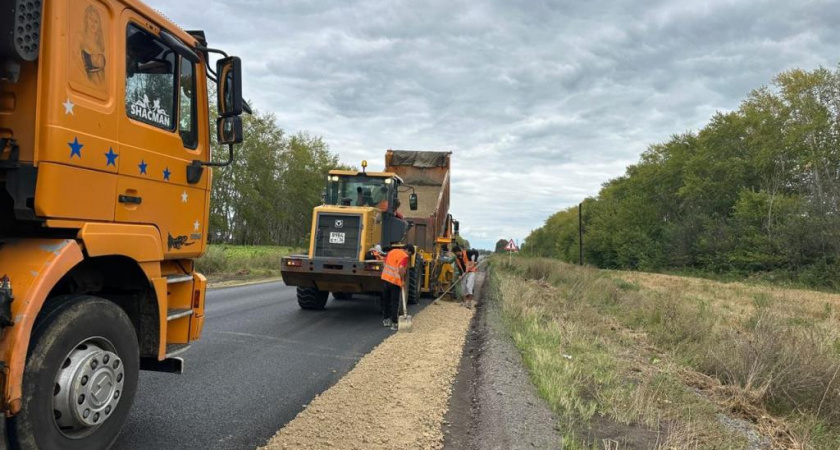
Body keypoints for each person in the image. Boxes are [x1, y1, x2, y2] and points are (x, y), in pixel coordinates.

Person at [380, 244, 414, 330]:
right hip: (394, 281)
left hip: (385, 278)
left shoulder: (392, 251)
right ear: (408, 251)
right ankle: (394, 323)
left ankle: (386, 320)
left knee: (386, 300)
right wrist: (402, 279)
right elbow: (401, 268)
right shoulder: (404, 256)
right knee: (394, 302)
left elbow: (384, 263)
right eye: (410, 254)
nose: (409, 256)